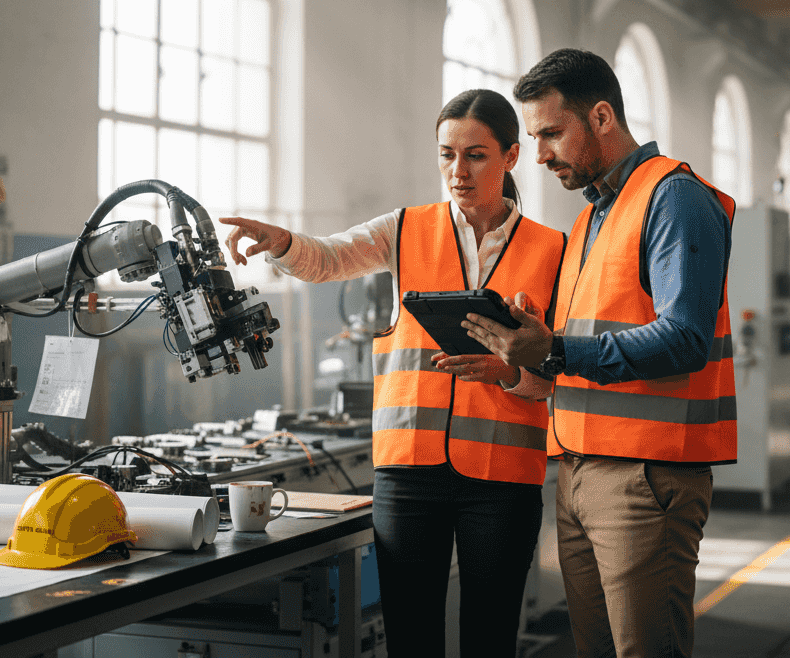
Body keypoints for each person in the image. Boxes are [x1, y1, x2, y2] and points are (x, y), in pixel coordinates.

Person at [219, 88, 567, 658]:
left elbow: (556, 376)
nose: (458, 171)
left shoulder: (553, 250)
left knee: (490, 635)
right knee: (410, 636)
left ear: (511, 156)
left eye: (476, 155)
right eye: (446, 154)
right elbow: (328, 257)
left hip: (503, 478)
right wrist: (281, 242)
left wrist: (505, 375)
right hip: (409, 474)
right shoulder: (404, 230)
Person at [462, 48, 736, 658]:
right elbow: (577, 352)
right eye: (534, 137)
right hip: (580, 469)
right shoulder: (590, 222)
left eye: (552, 133)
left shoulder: (675, 198)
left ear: (603, 116)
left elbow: (685, 338)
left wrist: (556, 347)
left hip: (645, 477)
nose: (539, 155)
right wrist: (520, 358)